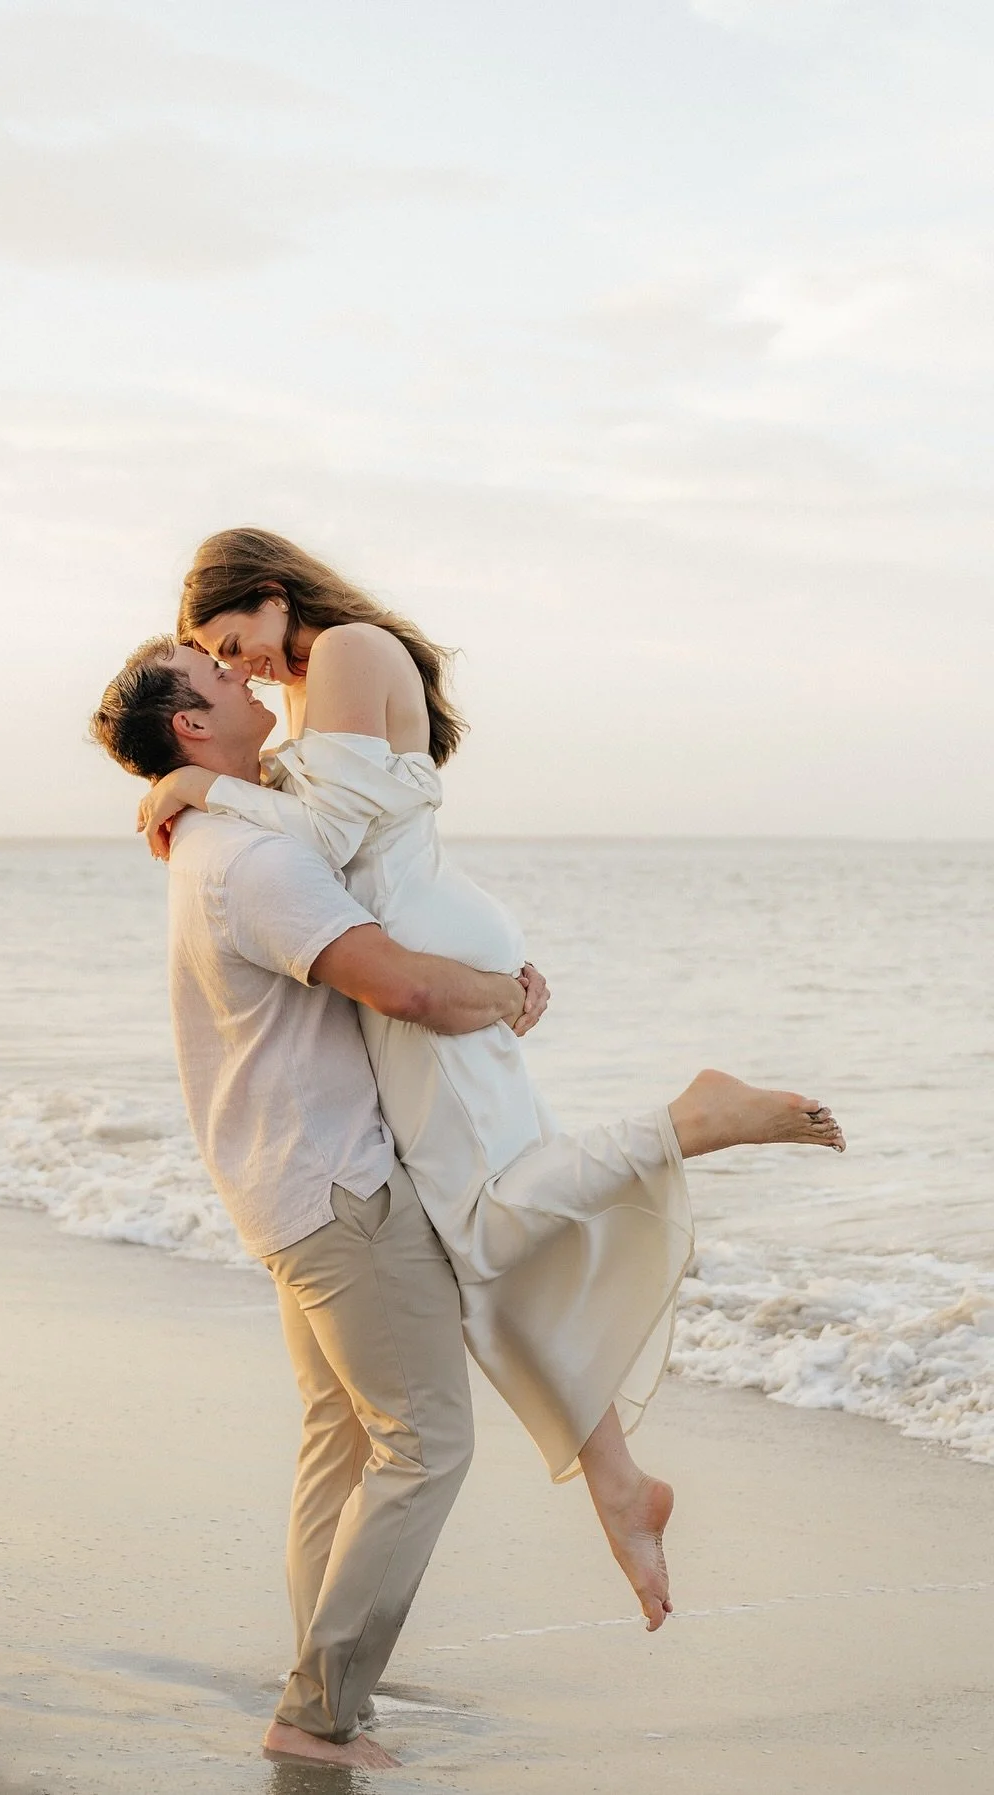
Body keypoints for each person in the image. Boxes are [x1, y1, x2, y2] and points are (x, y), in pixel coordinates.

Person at [136, 527, 846, 1634]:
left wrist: (196, 784)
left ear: (272, 598)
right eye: (214, 661)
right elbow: (318, 823)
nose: (240, 666)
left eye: (230, 639)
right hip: (411, 945)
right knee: (474, 1241)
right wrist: (210, 788)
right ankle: (618, 1482)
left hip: (418, 947)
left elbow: (321, 836)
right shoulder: (326, 676)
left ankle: (691, 1119)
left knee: (480, 1228)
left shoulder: (354, 650)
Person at [91, 635, 550, 1769]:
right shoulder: (254, 863)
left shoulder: (212, 835)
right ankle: (317, 1714)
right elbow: (395, 979)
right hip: (341, 1190)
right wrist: (511, 991)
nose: (246, 680)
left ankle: (325, 1679)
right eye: (215, 679)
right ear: (190, 726)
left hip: (286, 1185)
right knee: (428, 1442)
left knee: (341, 1445)